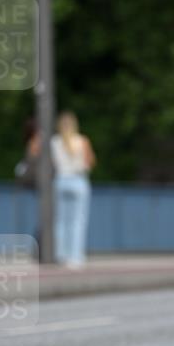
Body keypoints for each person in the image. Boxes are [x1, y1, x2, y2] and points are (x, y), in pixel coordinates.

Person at [51, 112, 96, 267]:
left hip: (60, 181)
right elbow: (90, 162)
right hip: (78, 181)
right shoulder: (82, 141)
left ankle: (61, 255)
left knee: (60, 221)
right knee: (77, 221)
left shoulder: (54, 142)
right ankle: (75, 257)